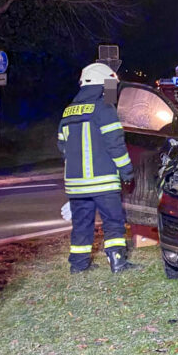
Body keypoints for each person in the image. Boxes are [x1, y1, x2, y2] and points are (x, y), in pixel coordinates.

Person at [58, 62, 139, 274]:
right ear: (104, 84)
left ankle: (78, 265)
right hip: (103, 181)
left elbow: (62, 145)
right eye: (112, 86)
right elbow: (116, 144)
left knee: (82, 225)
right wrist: (127, 172)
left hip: (76, 185)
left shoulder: (68, 111)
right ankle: (118, 262)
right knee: (113, 221)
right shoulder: (104, 108)